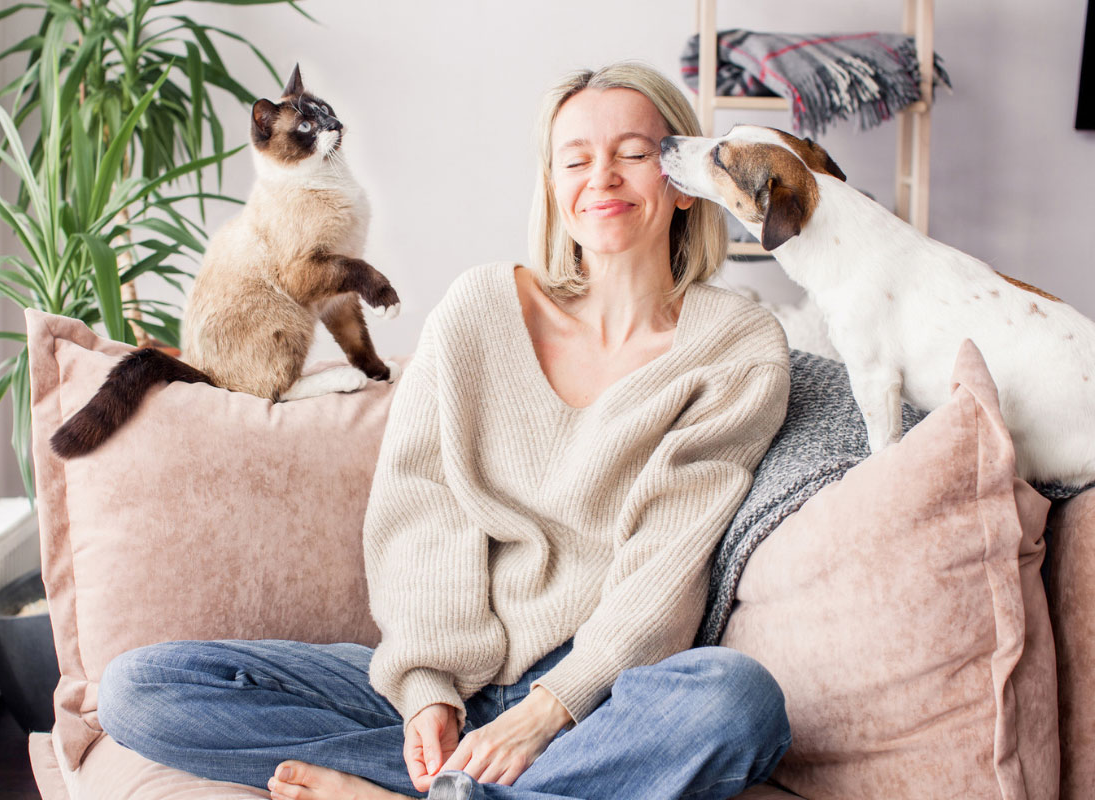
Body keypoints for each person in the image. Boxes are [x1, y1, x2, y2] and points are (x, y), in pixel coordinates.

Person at [97, 61, 793, 800]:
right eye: (576, 160)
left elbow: (669, 558)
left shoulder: (737, 345)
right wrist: (429, 689)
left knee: (738, 700)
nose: (603, 179)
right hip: (456, 680)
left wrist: (548, 713)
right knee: (140, 688)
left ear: (681, 179)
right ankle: (465, 786)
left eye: (633, 154)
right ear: (554, 188)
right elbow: (425, 507)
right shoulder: (479, 308)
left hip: (601, 698)